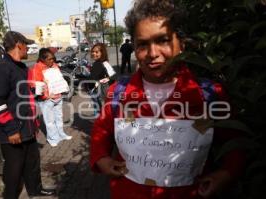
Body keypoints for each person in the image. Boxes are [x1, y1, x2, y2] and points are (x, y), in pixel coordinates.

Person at [89, 1, 245, 199]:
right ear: (135, 48)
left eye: (163, 40)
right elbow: (101, 131)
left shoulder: (209, 94)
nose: (153, 54)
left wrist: (227, 173)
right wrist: (102, 158)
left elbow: (235, 142)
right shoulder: (118, 92)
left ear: (182, 44)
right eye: (143, 44)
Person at [0, 31, 55, 198]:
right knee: (14, 169)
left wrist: (34, 90)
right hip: (13, 131)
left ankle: (35, 189)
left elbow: (21, 95)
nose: (28, 48)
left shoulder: (21, 68)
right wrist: (11, 130)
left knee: (32, 162)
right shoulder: (2, 69)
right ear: (19, 45)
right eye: (26, 45)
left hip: (27, 127)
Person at [29, 48, 72, 147]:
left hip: (57, 96)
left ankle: (61, 134)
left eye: (53, 58)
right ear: (42, 59)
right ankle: (52, 138)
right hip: (47, 99)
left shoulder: (54, 65)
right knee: (50, 120)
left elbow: (59, 79)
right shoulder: (37, 68)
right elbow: (36, 85)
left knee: (59, 117)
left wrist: (64, 88)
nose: (52, 61)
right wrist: (46, 95)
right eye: (49, 59)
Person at [88, 43, 116, 114]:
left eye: (97, 52)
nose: (94, 53)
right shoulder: (105, 63)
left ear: (102, 53)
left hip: (100, 91)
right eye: (93, 52)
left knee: (101, 112)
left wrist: (88, 86)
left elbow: (91, 80)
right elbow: (113, 76)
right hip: (107, 89)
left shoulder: (97, 64)